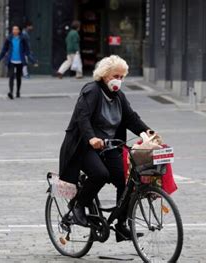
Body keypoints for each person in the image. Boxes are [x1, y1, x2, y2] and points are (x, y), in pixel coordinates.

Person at [58, 55, 155, 242]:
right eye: (115, 76)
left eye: (121, 77)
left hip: (109, 147)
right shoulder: (92, 91)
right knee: (100, 174)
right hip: (84, 146)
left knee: (125, 182)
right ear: (104, 75)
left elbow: (131, 118)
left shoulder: (119, 96)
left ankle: (121, 225)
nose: (118, 80)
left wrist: (147, 131)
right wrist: (92, 138)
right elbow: (82, 118)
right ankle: (78, 207)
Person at [0, 25, 36, 99]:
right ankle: (11, 92)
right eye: (13, 29)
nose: (14, 31)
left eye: (16, 29)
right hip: (11, 60)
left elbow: (27, 51)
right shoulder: (9, 39)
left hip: (20, 61)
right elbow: (4, 51)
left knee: (18, 77)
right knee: (11, 76)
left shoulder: (23, 39)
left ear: (19, 31)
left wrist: (33, 61)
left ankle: (18, 92)